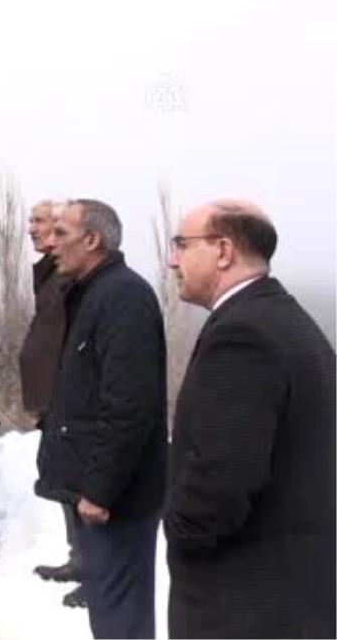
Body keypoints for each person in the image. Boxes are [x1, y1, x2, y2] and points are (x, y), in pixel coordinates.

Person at [164, 201, 337, 639]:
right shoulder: (285, 318)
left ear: (223, 250)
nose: (172, 259)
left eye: (181, 244)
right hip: (292, 588)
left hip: (243, 601)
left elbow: (222, 480)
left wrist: (181, 532)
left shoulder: (244, 335)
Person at [36, 200, 166, 640]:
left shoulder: (123, 297)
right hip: (98, 495)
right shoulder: (93, 291)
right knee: (108, 612)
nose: (50, 244)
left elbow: (129, 406)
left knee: (120, 616)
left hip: (116, 502)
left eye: (61, 234)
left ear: (92, 240)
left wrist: (99, 490)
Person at [19, 199, 85, 608]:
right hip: (51, 399)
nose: (32, 229)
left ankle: (94, 569)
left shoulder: (72, 276)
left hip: (68, 397)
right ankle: (78, 559)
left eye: (41, 222)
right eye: (31, 221)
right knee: (62, 482)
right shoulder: (48, 273)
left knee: (78, 483)